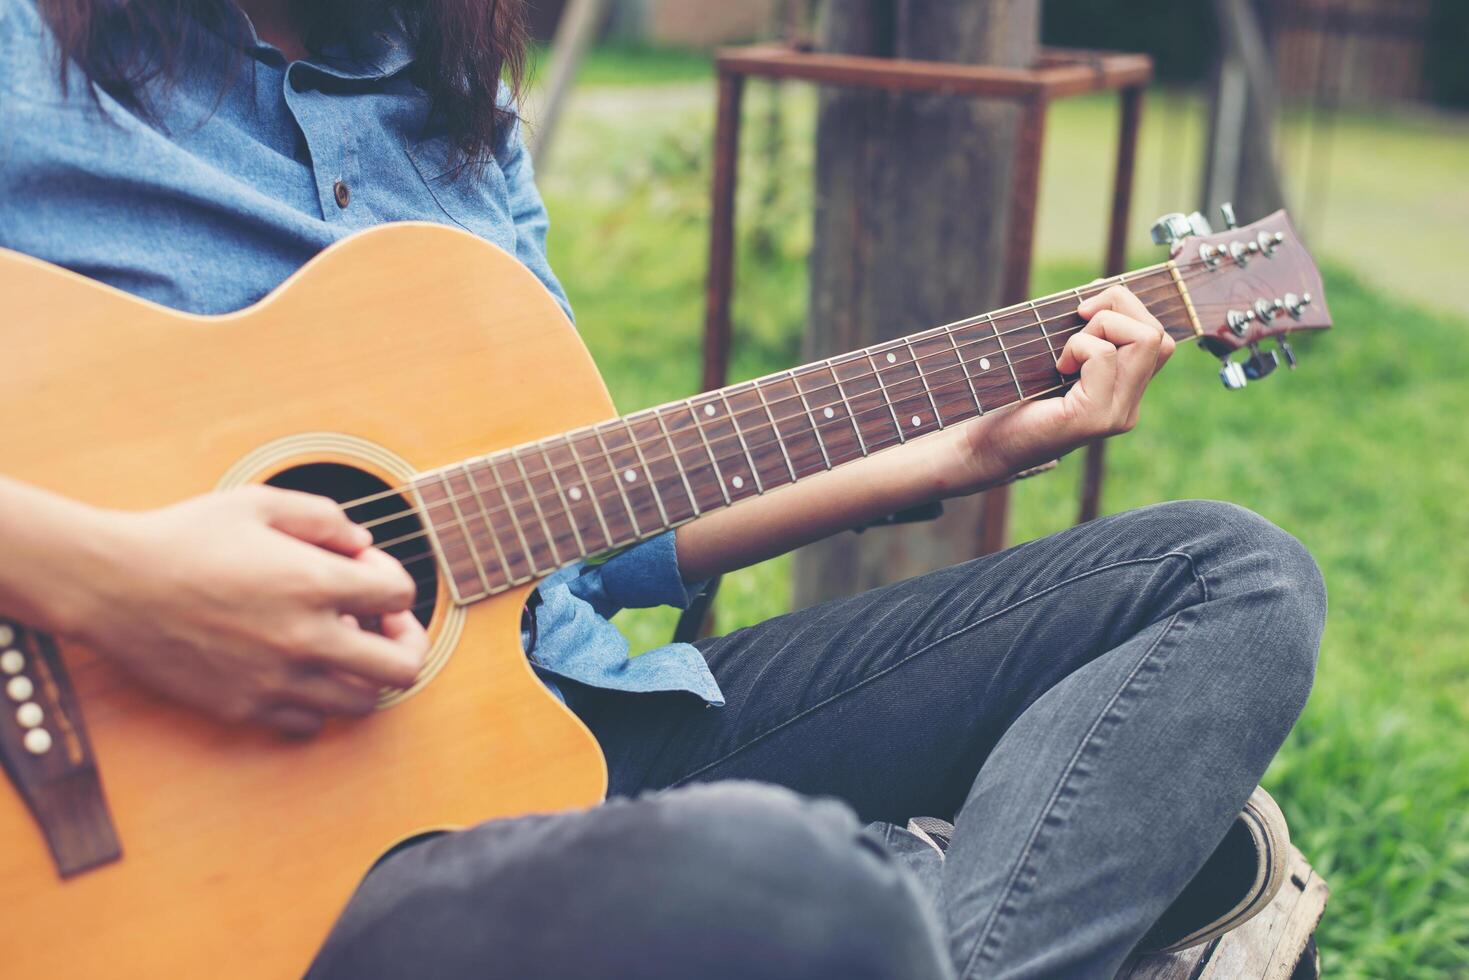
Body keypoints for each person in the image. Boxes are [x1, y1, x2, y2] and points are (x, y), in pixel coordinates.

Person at [0, 1, 1326, 976]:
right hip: (273, 843)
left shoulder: (450, 95)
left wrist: (962, 455)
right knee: (794, 885)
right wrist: (120, 582)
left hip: (588, 731)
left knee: (1225, 577)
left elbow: (563, 527)